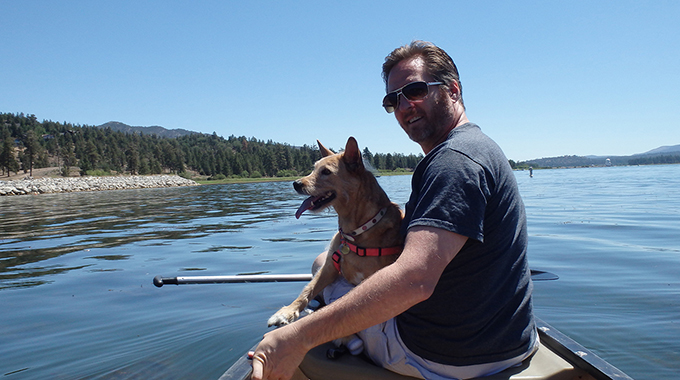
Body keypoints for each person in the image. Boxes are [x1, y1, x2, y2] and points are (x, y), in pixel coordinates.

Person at [251, 40, 537, 380]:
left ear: (453, 90)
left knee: (322, 266)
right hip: (511, 340)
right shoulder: (476, 148)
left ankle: (353, 344)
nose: (404, 106)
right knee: (328, 262)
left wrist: (297, 337)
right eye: (393, 100)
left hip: (444, 355)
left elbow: (414, 281)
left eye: (414, 90)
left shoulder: (453, 164)